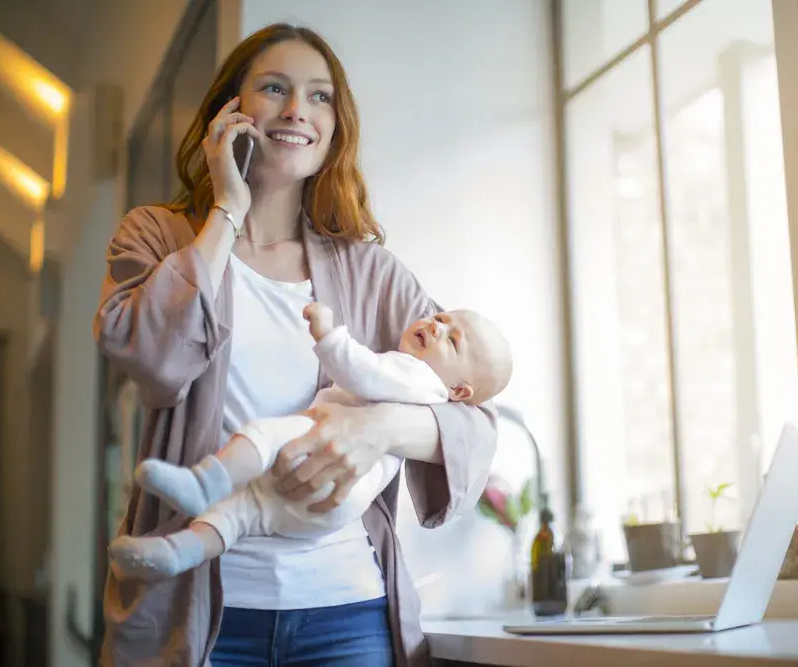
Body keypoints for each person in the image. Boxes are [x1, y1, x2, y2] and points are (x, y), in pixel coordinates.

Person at [93, 22, 499, 667]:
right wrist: (227, 207)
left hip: (349, 612)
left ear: (336, 126)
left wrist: (382, 429)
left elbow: (473, 423)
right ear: (230, 109)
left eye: (319, 96)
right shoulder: (158, 236)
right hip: (196, 614)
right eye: (274, 88)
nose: (295, 111)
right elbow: (152, 360)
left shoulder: (372, 272)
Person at [107, 303, 512, 581]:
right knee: (244, 515)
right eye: (439, 316)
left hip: (318, 448)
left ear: (460, 391)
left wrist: (329, 335)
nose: (437, 325)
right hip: (333, 507)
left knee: (264, 437)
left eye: (452, 339)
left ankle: (205, 483)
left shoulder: (416, 375)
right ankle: (176, 553)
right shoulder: (430, 389)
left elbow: (363, 373)